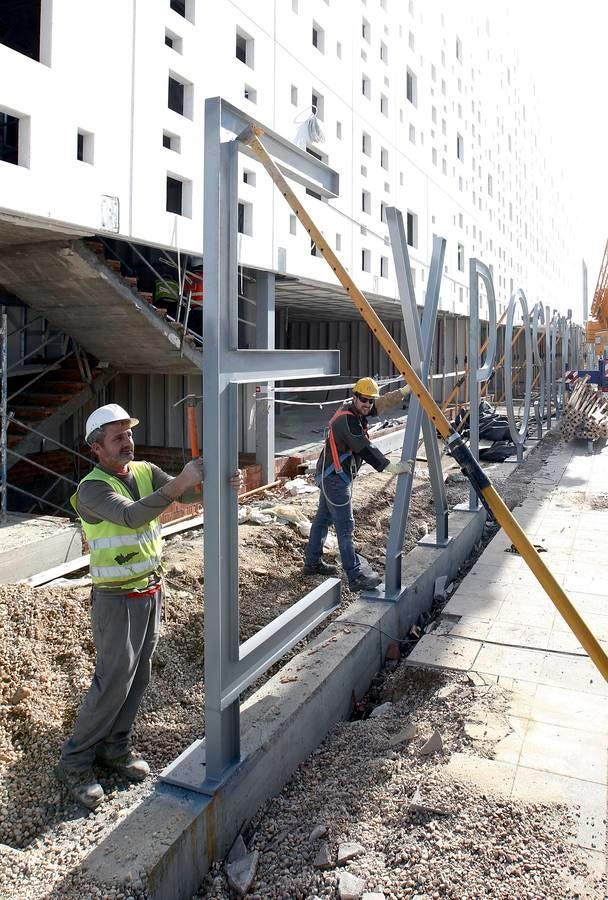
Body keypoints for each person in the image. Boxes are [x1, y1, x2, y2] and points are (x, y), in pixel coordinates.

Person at [55, 403, 232, 810]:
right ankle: (76, 761)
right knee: (113, 677)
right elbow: (132, 517)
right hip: (115, 598)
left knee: (138, 676)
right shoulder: (92, 489)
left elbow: (188, 491)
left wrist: (220, 480)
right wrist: (180, 484)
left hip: (150, 590)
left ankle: (115, 748)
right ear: (96, 448)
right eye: (118, 437)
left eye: (129, 434)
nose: (128, 442)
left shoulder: (145, 471)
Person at [303, 378, 412, 591]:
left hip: (331, 477)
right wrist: (391, 467)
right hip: (335, 480)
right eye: (364, 400)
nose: (368, 405)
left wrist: (406, 390)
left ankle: (312, 562)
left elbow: (384, 403)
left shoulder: (357, 411)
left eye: (370, 401)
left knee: (322, 519)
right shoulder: (348, 421)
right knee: (346, 528)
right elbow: (364, 447)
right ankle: (354, 576)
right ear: (355, 396)